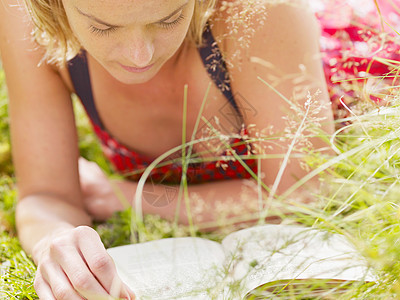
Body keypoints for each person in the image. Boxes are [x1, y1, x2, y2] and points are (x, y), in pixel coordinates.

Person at [0, 0, 398, 298]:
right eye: (103, 28)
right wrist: (55, 240)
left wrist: (130, 198)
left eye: (169, 19)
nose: (140, 55)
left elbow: (304, 191)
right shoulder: (27, 17)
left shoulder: (257, 11)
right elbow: (45, 196)